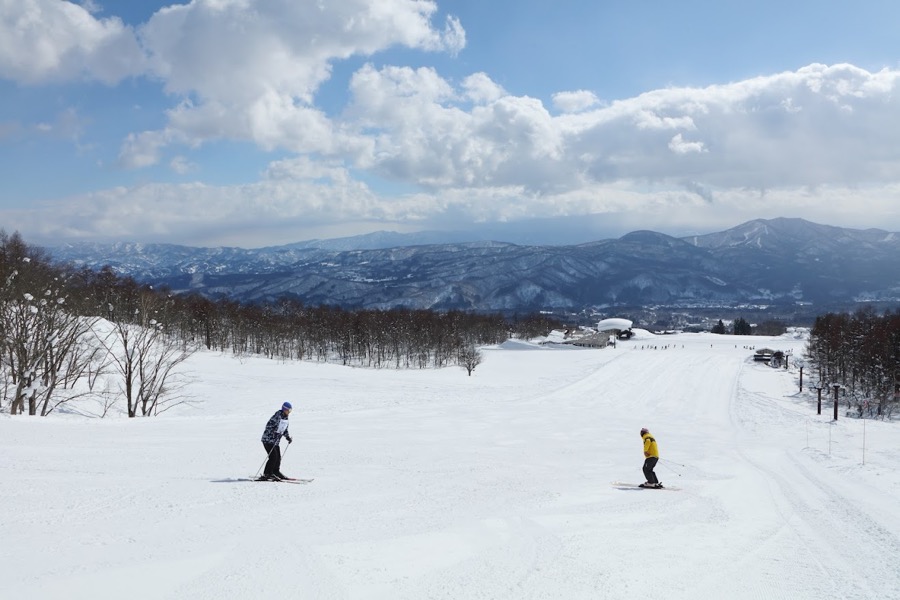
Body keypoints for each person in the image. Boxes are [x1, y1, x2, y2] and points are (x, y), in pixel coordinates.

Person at [259, 402, 294, 481]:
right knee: (273, 457)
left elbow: (284, 429)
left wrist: (287, 437)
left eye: (290, 410)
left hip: (275, 441)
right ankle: (267, 473)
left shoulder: (285, 418)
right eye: (288, 410)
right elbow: (269, 426)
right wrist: (274, 432)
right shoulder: (277, 416)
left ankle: (275, 472)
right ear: (284, 409)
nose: (289, 412)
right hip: (268, 440)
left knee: (278, 457)